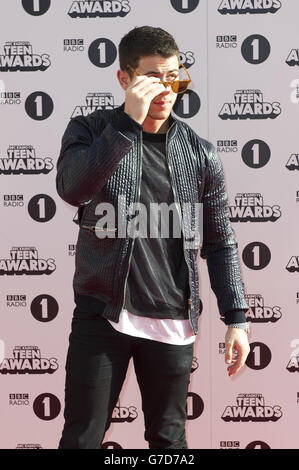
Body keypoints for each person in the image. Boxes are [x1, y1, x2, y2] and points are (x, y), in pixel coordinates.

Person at [56, 26, 250, 450]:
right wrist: (127, 124)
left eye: (175, 77)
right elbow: (73, 188)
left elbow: (220, 241)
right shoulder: (90, 130)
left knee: (169, 444)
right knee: (82, 438)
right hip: (103, 314)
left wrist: (236, 318)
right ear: (125, 79)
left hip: (174, 321)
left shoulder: (201, 153)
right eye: (153, 78)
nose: (167, 89)